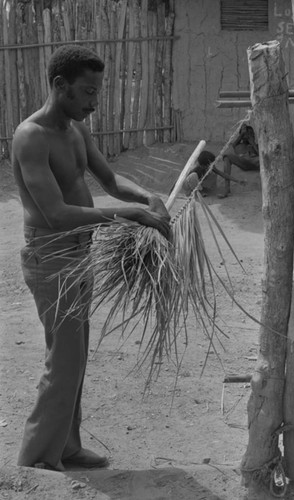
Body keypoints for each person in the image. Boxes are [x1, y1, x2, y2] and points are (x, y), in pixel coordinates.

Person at [12, 44, 170, 472]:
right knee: (62, 363)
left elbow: (110, 179)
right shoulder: (31, 137)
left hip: (81, 257)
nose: (94, 102)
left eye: (98, 92)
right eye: (87, 92)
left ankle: (66, 447)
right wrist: (130, 214)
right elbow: (56, 214)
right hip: (52, 258)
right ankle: (37, 462)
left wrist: (146, 197)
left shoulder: (76, 130)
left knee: (75, 359)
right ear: (60, 85)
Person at [172, 150, 245, 197]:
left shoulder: (209, 167)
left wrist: (237, 180)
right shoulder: (194, 167)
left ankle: (203, 189)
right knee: (193, 176)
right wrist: (172, 192)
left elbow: (222, 174)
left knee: (212, 173)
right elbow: (180, 179)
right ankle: (198, 192)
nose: (212, 164)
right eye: (210, 163)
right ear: (205, 164)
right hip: (188, 185)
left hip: (198, 182)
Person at [221, 123, 260, 198]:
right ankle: (227, 188)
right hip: (243, 161)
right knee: (227, 156)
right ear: (242, 137)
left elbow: (261, 156)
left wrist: (253, 143)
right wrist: (242, 134)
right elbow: (235, 143)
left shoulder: (257, 146)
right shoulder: (238, 145)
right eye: (248, 134)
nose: (250, 136)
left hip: (255, 162)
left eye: (252, 134)